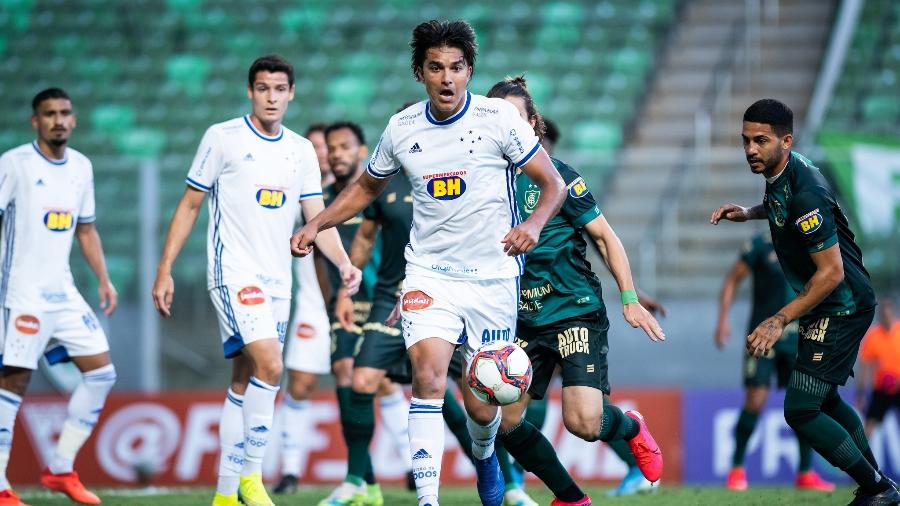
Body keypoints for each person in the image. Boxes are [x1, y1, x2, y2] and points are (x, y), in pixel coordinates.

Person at [291, 20, 566, 506]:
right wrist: (317, 225)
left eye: (456, 68)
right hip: (428, 275)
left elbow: (554, 185)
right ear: (420, 72)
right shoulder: (402, 128)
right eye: (435, 68)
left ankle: (484, 458)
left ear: (469, 71)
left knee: (483, 406)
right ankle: (428, 499)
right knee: (428, 376)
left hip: (493, 275)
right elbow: (366, 188)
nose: (446, 78)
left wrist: (535, 224)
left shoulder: (498, 119)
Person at [151, 55, 361, 506]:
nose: (271, 97)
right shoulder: (222, 138)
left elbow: (316, 219)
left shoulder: (301, 149)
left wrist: (343, 264)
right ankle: (251, 477)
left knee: (244, 379)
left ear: (291, 93)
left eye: (279, 89)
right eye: (263, 88)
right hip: (234, 274)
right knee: (270, 366)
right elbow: (189, 205)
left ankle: (225, 495)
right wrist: (165, 268)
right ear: (251, 91)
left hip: (277, 282)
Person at [484, 76, 665, 506]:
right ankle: (571, 497)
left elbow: (605, 237)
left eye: (516, 119)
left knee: (584, 423)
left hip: (573, 311)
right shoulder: (481, 181)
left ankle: (632, 427)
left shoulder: (558, 176)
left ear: (534, 124)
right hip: (519, 319)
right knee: (505, 424)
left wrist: (629, 298)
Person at [710, 98, 899, 505]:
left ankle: (878, 488)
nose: (750, 150)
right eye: (745, 141)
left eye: (760, 141)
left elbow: (831, 273)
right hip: (829, 304)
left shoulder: (806, 193)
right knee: (824, 399)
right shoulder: (784, 172)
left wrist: (778, 319)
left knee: (800, 409)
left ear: (787, 140)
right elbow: (781, 207)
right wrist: (748, 213)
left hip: (841, 304)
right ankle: (881, 487)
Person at [0, 88, 117, 506]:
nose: (58, 121)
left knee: (102, 374)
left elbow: (86, 228)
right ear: (35, 121)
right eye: (49, 114)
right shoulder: (14, 164)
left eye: (65, 113)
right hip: (21, 293)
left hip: (63, 292)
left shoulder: (81, 168)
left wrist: (103, 278)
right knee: (13, 382)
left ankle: (60, 468)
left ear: (74, 119)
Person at [311, 121, 413, 506]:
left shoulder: (381, 190)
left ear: (361, 150)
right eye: (330, 148)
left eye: (344, 147)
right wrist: (332, 298)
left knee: (419, 386)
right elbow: (320, 262)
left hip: (392, 298)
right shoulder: (321, 199)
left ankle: (415, 465)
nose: (336, 154)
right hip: (349, 301)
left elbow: (378, 243)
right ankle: (360, 479)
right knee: (348, 374)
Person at [715, 231, 835, 492]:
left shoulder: (808, 243)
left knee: (803, 403)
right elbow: (732, 279)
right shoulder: (759, 245)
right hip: (761, 335)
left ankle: (805, 472)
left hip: (797, 337)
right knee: (755, 399)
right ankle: (736, 469)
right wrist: (723, 319)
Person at [274, 122, 338, 495]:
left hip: (351, 303)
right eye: (313, 146)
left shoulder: (352, 192)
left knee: (377, 383)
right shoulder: (299, 195)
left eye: (325, 146)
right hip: (312, 307)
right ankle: (291, 470)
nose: (321, 152)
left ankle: (411, 468)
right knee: (299, 385)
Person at [857, 299, 900, 438]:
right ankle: (860, 456)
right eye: (883, 315)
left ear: (893, 314)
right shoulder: (874, 336)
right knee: (869, 424)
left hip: (899, 386)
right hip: (881, 388)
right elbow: (864, 366)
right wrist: (860, 393)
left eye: (888, 314)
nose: (886, 318)